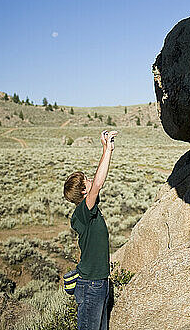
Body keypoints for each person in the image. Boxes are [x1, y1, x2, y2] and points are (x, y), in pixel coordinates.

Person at [63, 130, 118, 330]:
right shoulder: (83, 214)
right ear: (84, 191)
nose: (90, 181)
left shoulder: (89, 213)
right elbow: (98, 183)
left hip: (99, 283)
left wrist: (107, 148)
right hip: (91, 286)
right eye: (86, 180)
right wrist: (107, 150)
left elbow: (95, 185)